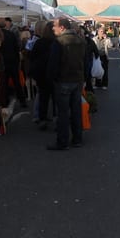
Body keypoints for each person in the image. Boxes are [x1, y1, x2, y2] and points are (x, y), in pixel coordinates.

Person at [46, 18, 86, 150]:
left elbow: (53, 64)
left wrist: (52, 79)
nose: (53, 28)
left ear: (62, 27)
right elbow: (84, 60)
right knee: (76, 111)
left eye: (54, 26)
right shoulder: (80, 40)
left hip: (64, 80)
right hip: (77, 79)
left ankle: (63, 141)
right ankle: (77, 139)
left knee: (63, 113)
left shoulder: (59, 42)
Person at [29, 21, 56, 130]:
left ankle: (42, 119)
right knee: (55, 98)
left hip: (41, 74)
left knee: (43, 98)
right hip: (54, 74)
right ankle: (56, 118)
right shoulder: (57, 42)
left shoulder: (39, 42)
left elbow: (32, 58)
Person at [0, 17, 27, 108]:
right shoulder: (11, 34)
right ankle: (22, 101)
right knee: (17, 82)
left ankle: (5, 102)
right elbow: (17, 47)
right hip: (13, 61)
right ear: (5, 24)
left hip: (3, 62)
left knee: (4, 83)